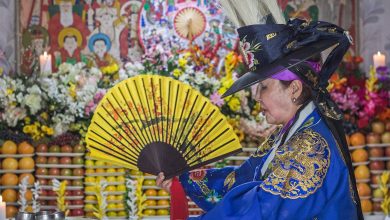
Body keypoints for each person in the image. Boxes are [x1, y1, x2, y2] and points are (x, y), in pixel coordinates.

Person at [157, 1, 363, 219]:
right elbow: (241, 180)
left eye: (263, 86)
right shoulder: (291, 131)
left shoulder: (310, 147)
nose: (256, 97)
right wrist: (185, 179)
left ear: (294, 88)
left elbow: (262, 212)